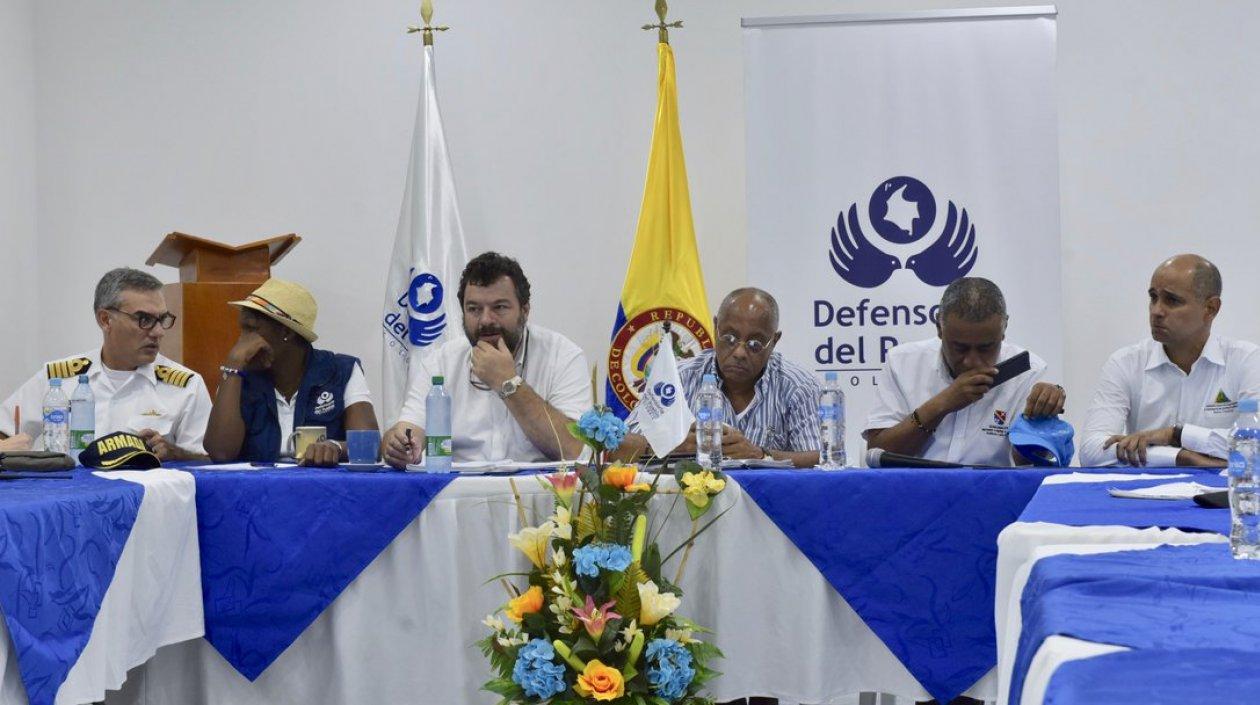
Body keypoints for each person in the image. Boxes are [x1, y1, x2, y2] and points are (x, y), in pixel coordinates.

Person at [381, 252, 590, 468]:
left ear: (525, 310)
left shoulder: (563, 356)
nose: (486, 320)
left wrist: (508, 383)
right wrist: (399, 445)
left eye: (499, 307)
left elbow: (574, 449)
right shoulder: (441, 362)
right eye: (474, 309)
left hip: (537, 496)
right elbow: (407, 430)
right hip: (462, 495)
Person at [0, 267, 211, 460]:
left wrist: (175, 453)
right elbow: (5, 429)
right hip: (68, 498)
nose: (158, 332)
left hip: (144, 500)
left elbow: (210, 464)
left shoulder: (186, 385)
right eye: (144, 319)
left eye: (162, 319)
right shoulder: (58, 378)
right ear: (105, 320)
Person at [864, 277, 1066, 466]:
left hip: (992, 496)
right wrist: (942, 403)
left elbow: (1028, 466)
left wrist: (1040, 421)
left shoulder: (1027, 372)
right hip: (917, 493)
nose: (972, 361)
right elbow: (878, 454)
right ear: (939, 328)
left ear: (1004, 328)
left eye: (986, 348)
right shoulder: (902, 362)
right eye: (959, 348)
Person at [1080, 254, 1260, 467]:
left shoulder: (1246, 360)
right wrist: (1180, 457)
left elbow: (1254, 446)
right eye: (1153, 297)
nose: (1156, 311)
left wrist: (1175, 435)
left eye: (1172, 300)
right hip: (1143, 497)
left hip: (1221, 497)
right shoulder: (1125, 363)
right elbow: (1091, 452)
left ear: (1211, 308)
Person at [618, 287, 822, 468]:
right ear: (716, 328)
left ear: (774, 341)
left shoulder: (798, 387)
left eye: (755, 344)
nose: (740, 352)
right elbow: (620, 445)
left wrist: (761, 455)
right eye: (729, 338)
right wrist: (670, 444)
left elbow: (822, 460)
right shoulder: (679, 378)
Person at [203, 278, 378, 466]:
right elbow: (220, 453)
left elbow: (370, 447)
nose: (241, 342)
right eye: (242, 330)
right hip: (258, 491)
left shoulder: (341, 370)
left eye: (251, 330)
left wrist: (335, 447)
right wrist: (233, 366)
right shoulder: (236, 374)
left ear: (286, 332)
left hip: (322, 490)